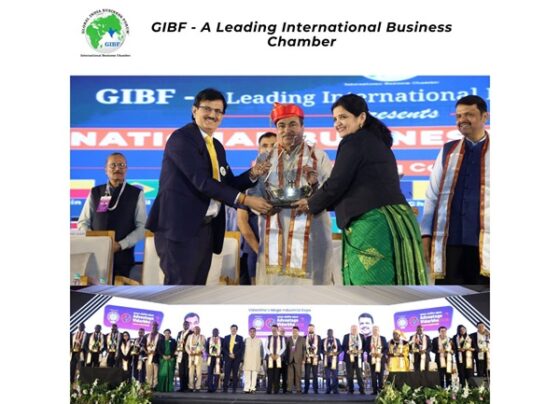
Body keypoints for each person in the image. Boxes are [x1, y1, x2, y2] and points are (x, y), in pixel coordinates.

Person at [294, 94, 428, 285]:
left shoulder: (353, 141)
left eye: (343, 117)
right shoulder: (376, 141)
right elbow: (352, 186)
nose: (337, 123)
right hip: (395, 221)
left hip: (373, 223)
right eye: (335, 119)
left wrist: (310, 203)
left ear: (361, 117)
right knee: (396, 284)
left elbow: (337, 183)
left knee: (369, 286)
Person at [146, 88, 272, 285]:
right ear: (194, 110)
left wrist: (253, 173)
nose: (213, 115)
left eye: (218, 111)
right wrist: (246, 200)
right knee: (180, 290)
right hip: (180, 229)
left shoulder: (216, 146)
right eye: (207, 109)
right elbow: (202, 182)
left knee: (197, 289)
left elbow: (228, 184)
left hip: (206, 230)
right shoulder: (182, 139)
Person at [251, 102, 334, 285]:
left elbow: (332, 191)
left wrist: (314, 187)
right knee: (273, 291)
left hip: (312, 233)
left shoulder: (319, 156)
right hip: (274, 233)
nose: (287, 130)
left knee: (314, 291)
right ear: (276, 129)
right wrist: (260, 205)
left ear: (302, 127)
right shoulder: (264, 158)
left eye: (293, 124)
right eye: (281, 125)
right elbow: (254, 193)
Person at [421, 95, 490, 285]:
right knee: (448, 297)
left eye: (469, 114)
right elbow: (432, 196)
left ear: (484, 117)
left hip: (486, 245)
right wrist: (426, 234)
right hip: (450, 244)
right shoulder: (448, 151)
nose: (462, 120)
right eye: (459, 116)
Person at [77, 152, 146, 281]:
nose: (117, 168)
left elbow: (142, 228)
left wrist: (120, 245)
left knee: (119, 291)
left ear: (126, 169)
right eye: (113, 165)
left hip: (123, 259)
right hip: (95, 256)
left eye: (121, 165)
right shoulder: (95, 192)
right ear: (105, 169)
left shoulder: (136, 194)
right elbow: (83, 222)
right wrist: (95, 242)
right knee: (93, 289)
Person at [237, 132, 277, 285]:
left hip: (284, 252)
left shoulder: (291, 178)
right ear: (258, 150)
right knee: (257, 293)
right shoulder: (248, 180)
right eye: (264, 146)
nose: (268, 149)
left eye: (273, 145)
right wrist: (260, 252)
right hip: (255, 250)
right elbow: (242, 222)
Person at [342, 325, 365, 395]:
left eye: (355, 329)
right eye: (353, 329)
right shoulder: (346, 336)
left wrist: (362, 351)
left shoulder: (361, 336)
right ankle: (350, 390)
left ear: (358, 329)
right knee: (349, 375)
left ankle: (362, 390)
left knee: (359, 375)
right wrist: (347, 351)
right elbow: (343, 346)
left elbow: (365, 346)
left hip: (358, 358)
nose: (354, 330)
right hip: (349, 358)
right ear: (350, 329)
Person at [365, 325, 388, 395]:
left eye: (376, 329)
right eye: (374, 329)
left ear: (379, 330)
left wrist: (382, 354)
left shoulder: (383, 338)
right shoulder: (368, 338)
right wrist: (370, 353)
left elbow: (386, 348)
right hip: (372, 359)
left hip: (380, 359)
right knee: (373, 376)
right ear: (372, 331)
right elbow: (366, 348)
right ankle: (374, 391)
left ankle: (381, 390)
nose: (375, 331)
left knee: (381, 376)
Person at [222, 324, 244, 393]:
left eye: (235, 329)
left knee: (235, 374)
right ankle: (225, 388)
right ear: (230, 329)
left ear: (236, 330)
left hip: (236, 358)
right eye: (232, 329)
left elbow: (241, 348)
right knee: (227, 374)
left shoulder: (240, 338)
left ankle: (234, 389)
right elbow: (224, 348)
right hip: (228, 358)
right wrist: (229, 354)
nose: (233, 330)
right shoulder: (226, 337)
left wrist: (234, 354)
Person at [265, 324, 285, 394]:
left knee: (277, 375)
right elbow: (266, 347)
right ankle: (269, 390)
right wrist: (271, 354)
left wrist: (278, 355)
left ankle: (276, 390)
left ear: (277, 329)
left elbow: (283, 347)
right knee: (270, 375)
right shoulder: (268, 337)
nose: (273, 330)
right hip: (270, 358)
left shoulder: (281, 338)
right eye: (272, 329)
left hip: (278, 358)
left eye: (275, 329)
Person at [243, 327, 263, 394]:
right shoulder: (245, 340)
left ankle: (252, 388)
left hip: (256, 359)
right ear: (249, 332)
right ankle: (247, 388)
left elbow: (262, 351)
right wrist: (242, 359)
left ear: (255, 332)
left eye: (253, 331)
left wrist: (262, 359)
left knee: (254, 375)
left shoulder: (259, 340)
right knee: (247, 374)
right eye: (251, 332)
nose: (252, 333)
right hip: (247, 359)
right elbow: (243, 350)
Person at [286, 326, 305, 394]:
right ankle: (289, 389)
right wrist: (286, 359)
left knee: (298, 375)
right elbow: (286, 350)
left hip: (298, 359)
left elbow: (304, 350)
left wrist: (303, 359)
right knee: (290, 376)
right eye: (293, 331)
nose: (294, 332)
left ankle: (298, 389)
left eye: (296, 331)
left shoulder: (302, 339)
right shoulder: (288, 339)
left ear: (298, 332)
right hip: (290, 359)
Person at [186, 326, 206, 392]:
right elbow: (186, 346)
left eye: (198, 329)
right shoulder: (190, 336)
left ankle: (198, 387)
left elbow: (205, 346)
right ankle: (191, 387)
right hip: (191, 356)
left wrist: (201, 351)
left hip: (199, 356)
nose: (197, 330)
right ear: (193, 330)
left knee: (198, 373)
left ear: (200, 330)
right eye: (195, 329)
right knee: (191, 372)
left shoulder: (202, 337)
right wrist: (189, 352)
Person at [322, 329, 341, 394]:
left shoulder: (337, 340)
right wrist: (324, 352)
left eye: (331, 332)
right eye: (329, 332)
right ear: (327, 333)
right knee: (327, 376)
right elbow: (320, 349)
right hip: (326, 361)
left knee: (335, 376)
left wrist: (337, 353)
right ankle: (328, 389)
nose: (330, 333)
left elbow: (340, 349)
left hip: (334, 360)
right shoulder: (323, 340)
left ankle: (335, 389)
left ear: (333, 333)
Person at [303, 324, 321, 394]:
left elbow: (320, 347)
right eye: (309, 328)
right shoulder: (304, 337)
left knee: (315, 374)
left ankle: (315, 389)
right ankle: (306, 389)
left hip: (315, 358)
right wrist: (305, 354)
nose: (311, 329)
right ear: (308, 329)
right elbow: (303, 348)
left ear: (314, 329)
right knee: (307, 375)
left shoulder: (318, 337)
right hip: (307, 358)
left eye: (312, 328)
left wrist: (316, 355)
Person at [145, 321, 163, 390]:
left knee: (156, 373)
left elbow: (162, 347)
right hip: (148, 356)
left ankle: (155, 386)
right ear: (151, 326)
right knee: (149, 372)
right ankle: (149, 386)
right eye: (153, 326)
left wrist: (157, 352)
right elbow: (143, 345)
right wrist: (146, 351)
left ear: (157, 327)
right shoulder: (147, 336)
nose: (154, 327)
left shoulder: (161, 336)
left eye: (155, 326)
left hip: (156, 357)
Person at [176, 320, 192, 391]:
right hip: (180, 353)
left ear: (189, 325)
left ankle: (187, 386)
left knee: (187, 371)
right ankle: (182, 387)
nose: (185, 325)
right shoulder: (180, 333)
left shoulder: (191, 333)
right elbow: (178, 342)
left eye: (186, 324)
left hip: (187, 354)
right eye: (184, 324)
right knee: (181, 371)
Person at [278, 326, 289, 393]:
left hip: (285, 360)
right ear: (278, 331)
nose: (282, 332)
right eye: (281, 331)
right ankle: (277, 388)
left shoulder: (287, 339)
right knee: (277, 375)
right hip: (277, 360)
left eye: (283, 331)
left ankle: (284, 389)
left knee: (285, 376)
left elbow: (289, 350)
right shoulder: (276, 339)